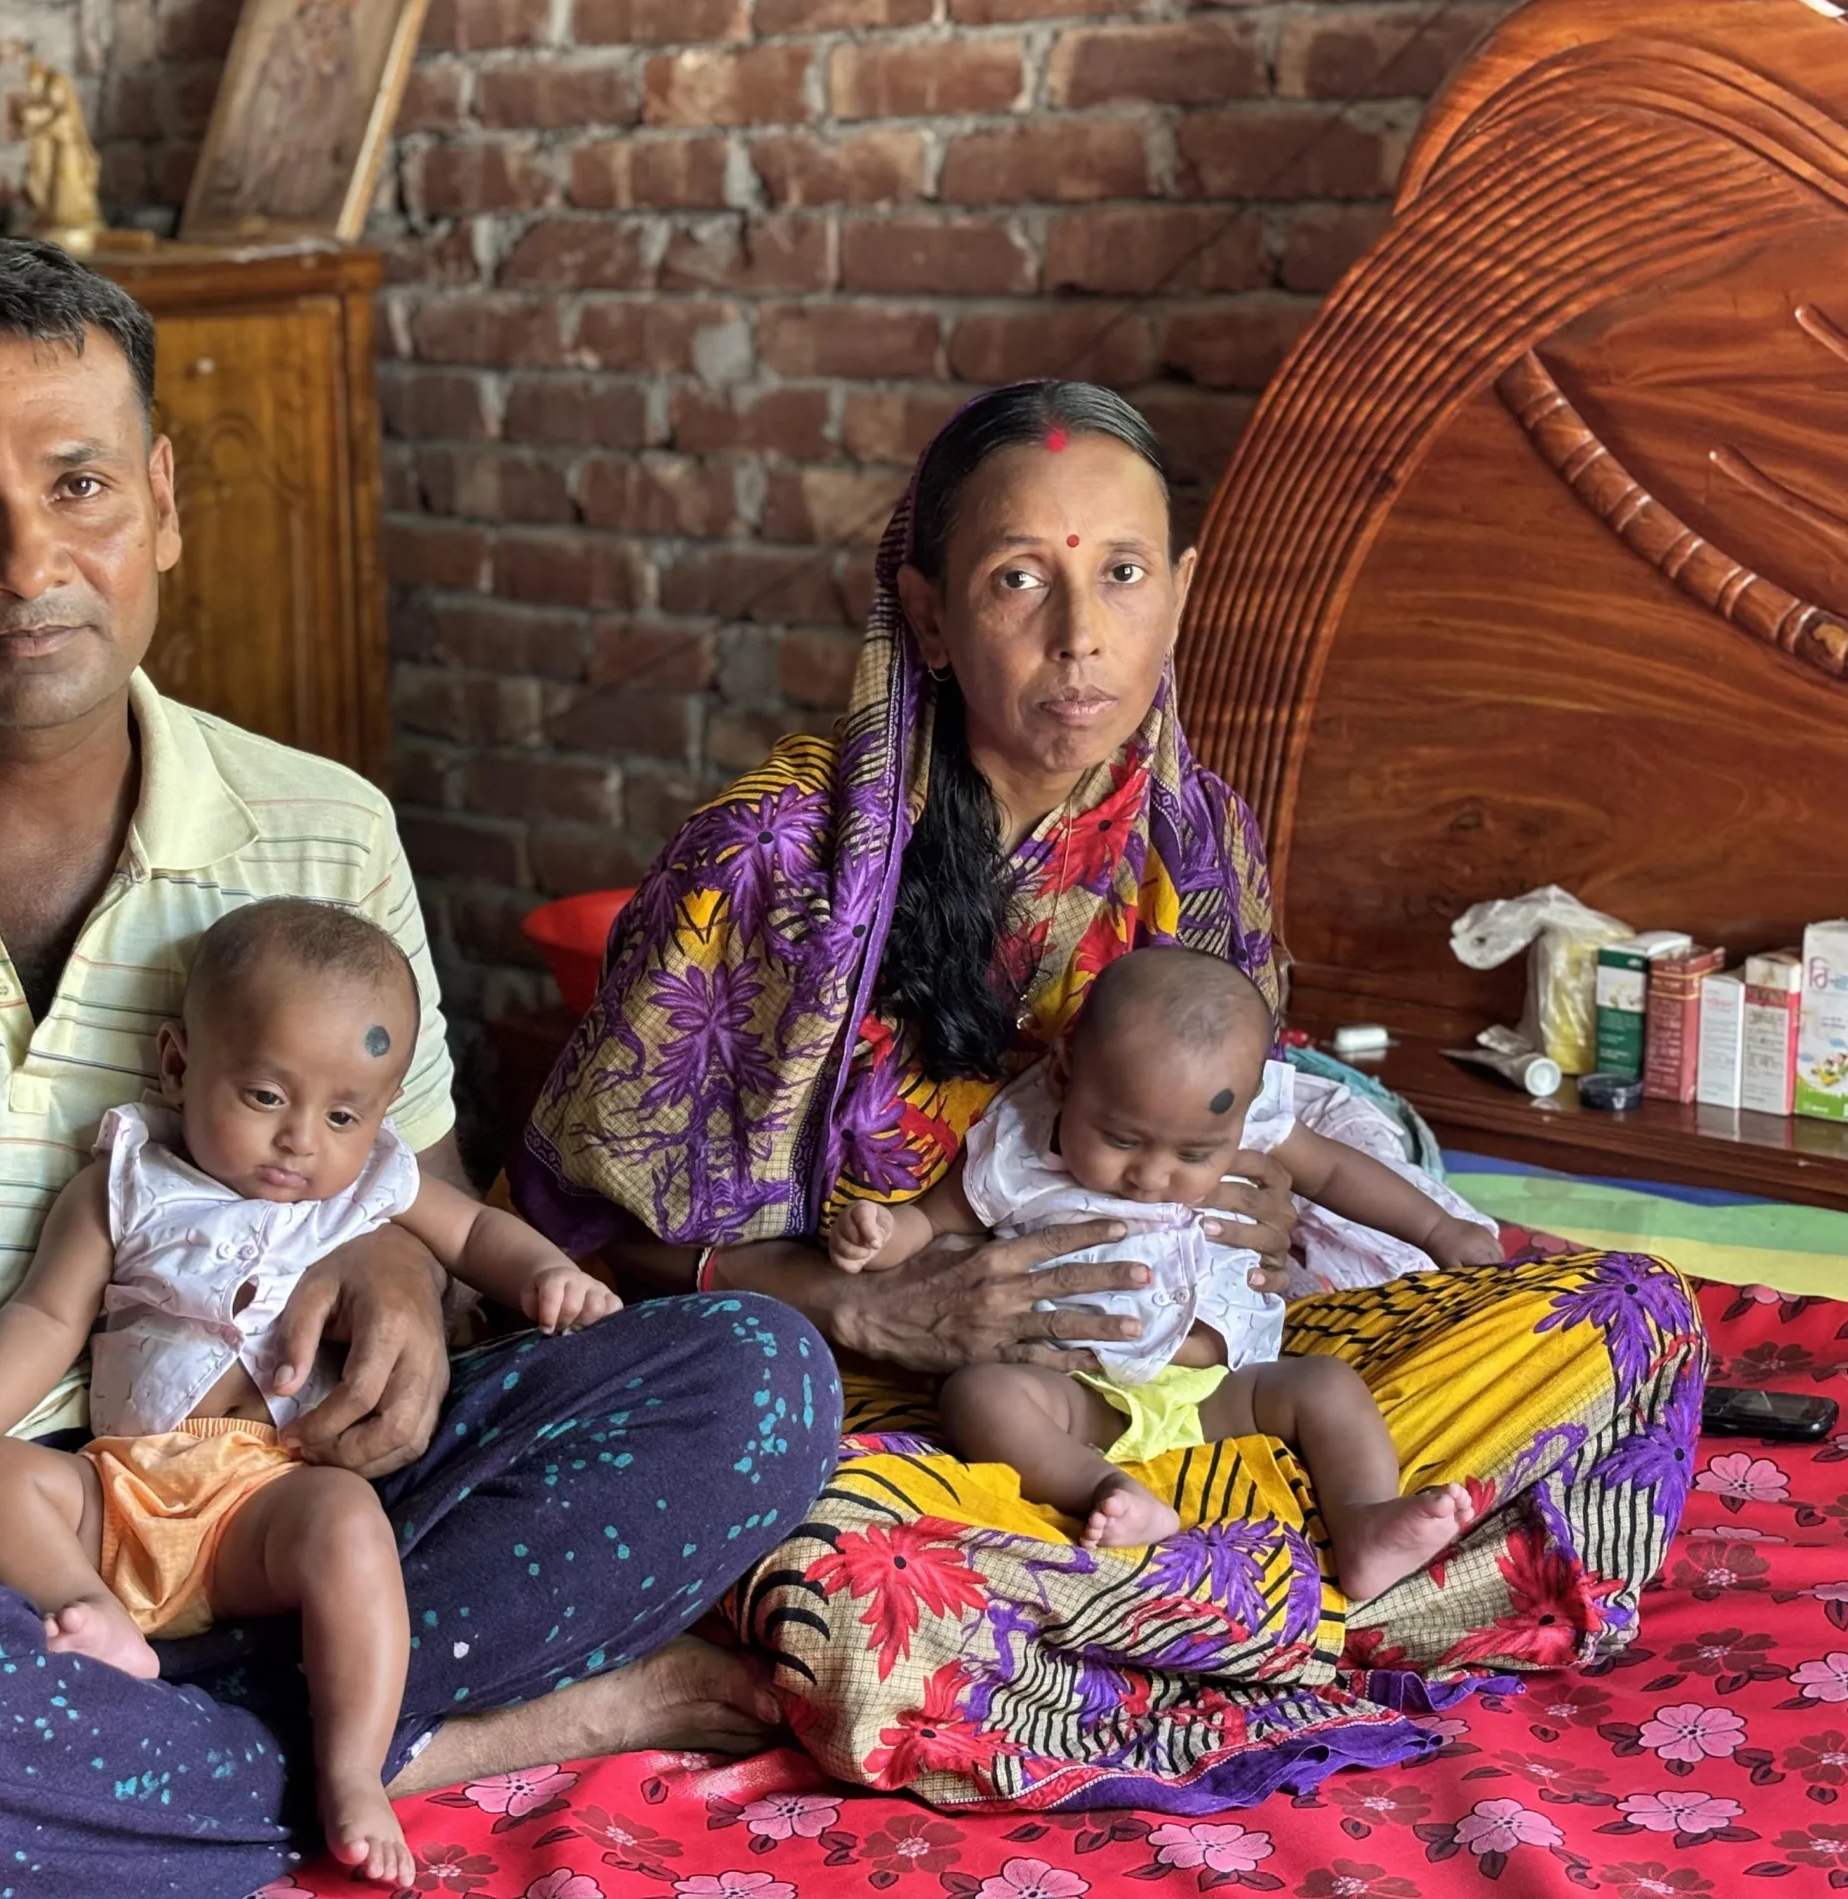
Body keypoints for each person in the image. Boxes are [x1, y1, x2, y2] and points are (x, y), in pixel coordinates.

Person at [0, 237, 840, 1899]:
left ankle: (156, 1753)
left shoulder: (321, 826)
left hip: (269, 1489)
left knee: (753, 1381)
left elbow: (415, 1191)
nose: (28, 561)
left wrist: (404, 1288)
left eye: (79, 484)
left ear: (165, 504)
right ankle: (427, 1736)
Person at [514, 380, 1703, 1810]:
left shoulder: (1199, 840)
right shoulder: (768, 861)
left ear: (1179, 596)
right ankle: (1305, 1603)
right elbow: (581, 1252)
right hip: (911, 1413)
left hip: (1208, 1384)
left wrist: (1260, 1193)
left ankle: (1221, 1598)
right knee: (859, 1590)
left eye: (1122, 575)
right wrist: (858, 1302)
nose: (1081, 637)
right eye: (1021, 580)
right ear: (934, 616)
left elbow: (1264, 1121)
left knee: (1630, 1311)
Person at [0, 898, 619, 1887]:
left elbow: (472, 1237)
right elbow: (43, 1318)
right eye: (264, 1096)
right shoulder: (126, 1181)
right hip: (119, 1492)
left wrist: (548, 1276)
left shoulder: (371, 1182)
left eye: (341, 1113)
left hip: (267, 1500)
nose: (299, 1141)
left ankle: (353, 1769)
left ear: (378, 1115)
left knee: (348, 1522)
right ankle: (87, 1616)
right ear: (176, 1066)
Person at [830, 946, 1502, 1593]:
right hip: (1083, 1394)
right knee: (980, 1396)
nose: (1151, 1176)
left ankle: (1364, 1521)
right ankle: (1104, 1491)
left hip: (1224, 1388)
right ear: (1066, 1076)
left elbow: (1332, 1168)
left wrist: (1438, 1228)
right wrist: (883, 1234)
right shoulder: (1022, 1144)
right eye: (1121, 1139)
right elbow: (939, 1216)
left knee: (1328, 1385)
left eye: (1195, 1154)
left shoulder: (1255, 1116)